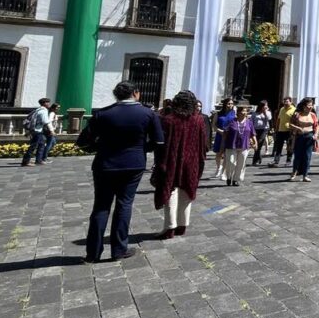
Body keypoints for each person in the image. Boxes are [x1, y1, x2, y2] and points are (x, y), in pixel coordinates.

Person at [78, 81, 164, 263]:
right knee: (124, 205)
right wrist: (142, 149)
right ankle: (119, 250)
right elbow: (159, 141)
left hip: (105, 164)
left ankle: (92, 253)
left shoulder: (102, 113)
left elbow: (83, 142)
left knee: (101, 207)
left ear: (116, 95)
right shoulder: (148, 114)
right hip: (133, 164)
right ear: (136, 93)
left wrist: (101, 147)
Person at [152, 90, 206, 239]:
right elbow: (203, 142)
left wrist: (158, 162)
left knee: (171, 191)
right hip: (192, 160)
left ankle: (170, 226)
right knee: (186, 191)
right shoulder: (198, 120)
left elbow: (161, 144)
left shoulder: (168, 120)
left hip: (171, 160)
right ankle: (183, 224)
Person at [223, 105, 255, 186]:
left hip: (244, 145)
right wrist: (223, 144)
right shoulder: (231, 121)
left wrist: (255, 142)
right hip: (231, 145)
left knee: (241, 163)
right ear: (238, 113)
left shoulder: (249, 122)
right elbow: (225, 133)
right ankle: (229, 177)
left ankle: (236, 179)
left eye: (245, 111)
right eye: (241, 111)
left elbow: (252, 133)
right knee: (230, 162)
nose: (243, 113)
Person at [289, 98, 318, 181]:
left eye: (311, 105)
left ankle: (305, 175)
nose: (310, 107)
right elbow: (290, 124)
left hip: (310, 136)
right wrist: (298, 128)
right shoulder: (297, 114)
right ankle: (294, 172)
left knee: (307, 156)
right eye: (309, 105)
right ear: (304, 106)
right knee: (298, 156)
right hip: (299, 137)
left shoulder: (313, 115)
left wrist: (315, 134)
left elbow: (316, 125)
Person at [21, 98, 52, 167]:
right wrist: (51, 130)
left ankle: (38, 160)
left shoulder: (38, 110)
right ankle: (25, 162)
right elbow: (45, 121)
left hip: (36, 130)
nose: (49, 104)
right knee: (33, 146)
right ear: (45, 103)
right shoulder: (43, 111)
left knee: (41, 144)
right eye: (48, 102)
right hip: (37, 131)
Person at [211, 98, 236, 179]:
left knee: (226, 155)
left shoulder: (234, 114)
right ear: (225, 104)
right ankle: (219, 167)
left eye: (232, 104)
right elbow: (214, 125)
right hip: (220, 135)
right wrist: (220, 131)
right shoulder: (218, 114)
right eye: (229, 103)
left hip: (229, 136)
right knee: (218, 154)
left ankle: (223, 173)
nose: (230, 105)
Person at [269, 97, 296, 167]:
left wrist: (294, 130)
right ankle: (276, 161)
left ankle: (288, 161)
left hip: (289, 131)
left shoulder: (294, 110)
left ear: (291, 102)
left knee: (289, 147)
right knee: (279, 147)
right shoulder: (282, 109)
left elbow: (296, 121)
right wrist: (276, 129)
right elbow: (279, 119)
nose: (285, 103)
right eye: (284, 102)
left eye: (287, 102)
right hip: (281, 130)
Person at [251, 100, 272, 166]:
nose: (266, 106)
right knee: (256, 144)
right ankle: (259, 158)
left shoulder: (268, 112)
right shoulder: (255, 113)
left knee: (259, 143)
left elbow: (269, 119)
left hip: (264, 130)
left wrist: (265, 112)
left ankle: (255, 160)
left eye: (266, 105)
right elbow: (251, 122)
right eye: (265, 105)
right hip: (256, 129)